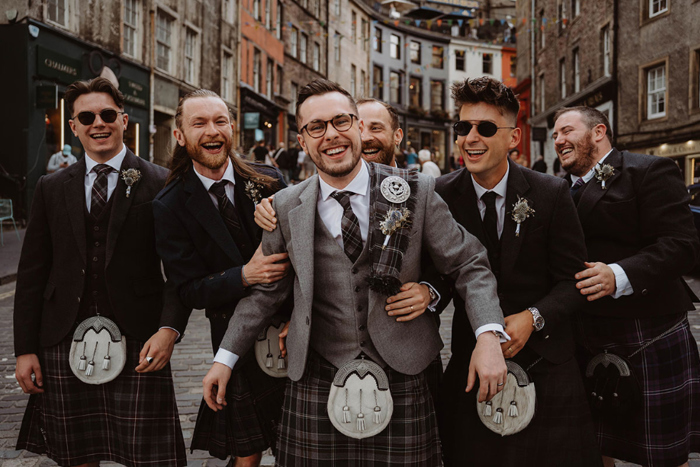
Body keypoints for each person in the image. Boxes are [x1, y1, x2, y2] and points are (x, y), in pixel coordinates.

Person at [202, 79, 509, 466]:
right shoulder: (285, 206)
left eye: (341, 121)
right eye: (316, 127)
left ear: (359, 128)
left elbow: (469, 263)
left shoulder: (416, 191)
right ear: (303, 140)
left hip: (404, 371)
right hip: (316, 374)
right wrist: (224, 359)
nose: (330, 135)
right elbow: (266, 294)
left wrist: (488, 336)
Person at [13, 77, 189, 467]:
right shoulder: (51, 186)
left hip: (140, 337)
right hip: (62, 336)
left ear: (124, 120)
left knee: (150, 456)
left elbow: (179, 271)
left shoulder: (161, 182)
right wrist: (25, 349)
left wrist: (169, 330)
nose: (99, 123)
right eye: (87, 116)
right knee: (76, 454)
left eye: (108, 114)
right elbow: (32, 274)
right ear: (72, 126)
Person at [436, 77, 601, 466]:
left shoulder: (550, 192)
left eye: (486, 128)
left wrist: (534, 317)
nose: (470, 138)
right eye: (463, 127)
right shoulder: (440, 193)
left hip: (547, 361)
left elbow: (573, 282)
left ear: (514, 137)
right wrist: (428, 291)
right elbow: (438, 273)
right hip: (472, 362)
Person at [553, 106, 700, 467]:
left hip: (647, 332)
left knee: (663, 453)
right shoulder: (558, 190)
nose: (558, 140)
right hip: (585, 334)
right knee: (591, 445)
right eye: (555, 134)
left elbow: (682, 245)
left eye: (567, 131)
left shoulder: (647, 170)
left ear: (599, 132)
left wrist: (618, 274)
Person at [153, 89, 290, 467]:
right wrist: (243, 276)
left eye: (220, 121)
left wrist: (296, 315)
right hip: (233, 337)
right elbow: (188, 289)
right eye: (199, 123)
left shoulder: (268, 180)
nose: (212, 131)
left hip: (290, 334)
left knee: (299, 446)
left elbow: (305, 257)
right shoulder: (170, 205)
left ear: (232, 128)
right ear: (180, 135)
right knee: (246, 456)